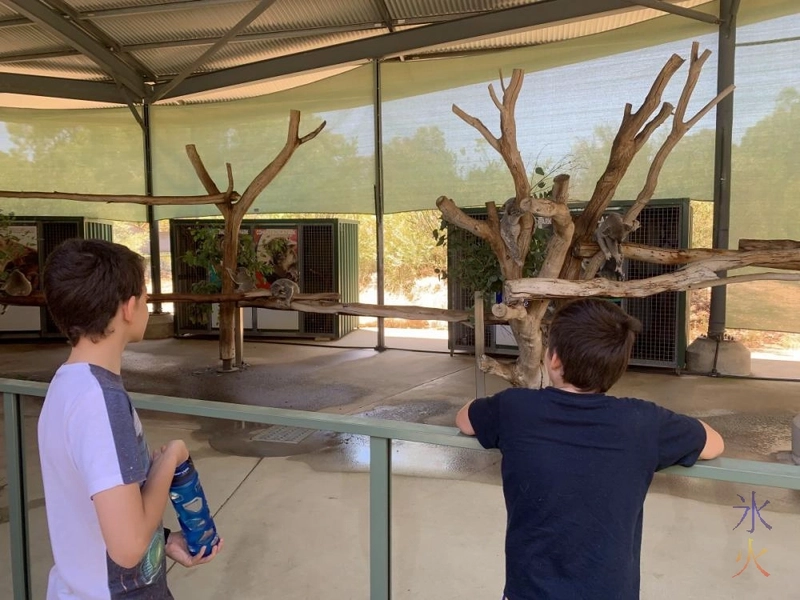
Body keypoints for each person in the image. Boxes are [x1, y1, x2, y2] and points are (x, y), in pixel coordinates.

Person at [456, 298, 724, 600]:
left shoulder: (515, 408)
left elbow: (465, 419)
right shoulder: (643, 422)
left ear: (553, 359)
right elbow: (714, 443)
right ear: (618, 366)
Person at [38, 239, 223, 599]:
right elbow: (127, 546)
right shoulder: (100, 403)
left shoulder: (68, 385)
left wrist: (164, 540)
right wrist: (169, 460)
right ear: (129, 307)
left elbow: (96, 509)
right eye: (145, 294)